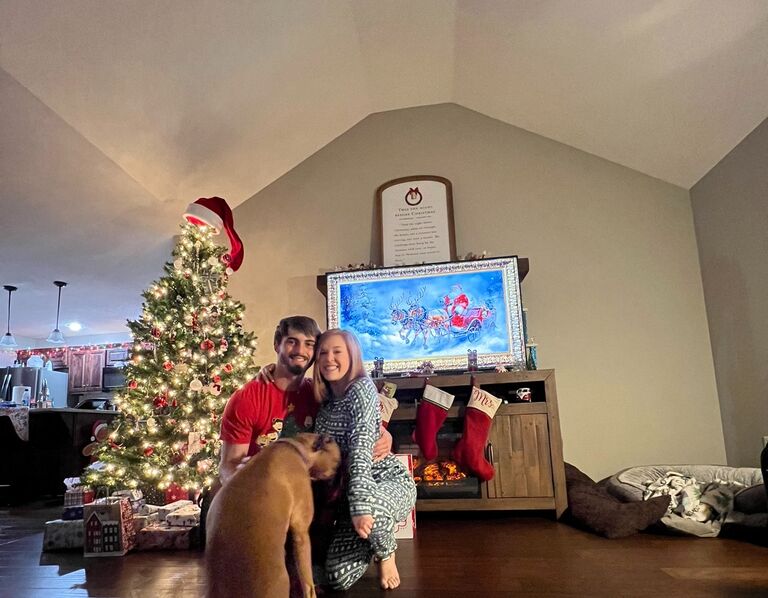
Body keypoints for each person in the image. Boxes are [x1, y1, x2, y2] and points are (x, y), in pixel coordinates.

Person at [218, 315, 391, 484]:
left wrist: (384, 434)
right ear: (277, 345)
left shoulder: (319, 393)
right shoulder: (248, 398)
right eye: (292, 342)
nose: (300, 351)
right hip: (263, 494)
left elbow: (356, 419)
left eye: (309, 344)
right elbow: (228, 467)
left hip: (310, 495)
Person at [313, 329, 416, 591]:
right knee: (336, 578)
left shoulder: (361, 389)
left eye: (338, 352)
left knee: (374, 511)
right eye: (323, 352)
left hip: (384, 480)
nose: (329, 358)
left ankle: (385, 552)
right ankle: (369, 537)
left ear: (353, 356)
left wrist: (360, 507)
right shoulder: (324, 404)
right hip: (350, 497)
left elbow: (360, 450)